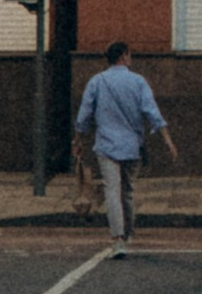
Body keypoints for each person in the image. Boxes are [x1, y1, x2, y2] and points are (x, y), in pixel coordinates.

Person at [75, 36, 176, 252]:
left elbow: (84, 116)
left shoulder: (97, 81)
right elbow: (152, 112)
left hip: (106, 145)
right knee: (128, 191)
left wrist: (78, 140)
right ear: (123, 56)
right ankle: (129, 232)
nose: (130, 58)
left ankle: (118, 238)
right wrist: (167, 140)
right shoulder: (138, 82)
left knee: (112, 190)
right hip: (132, 146)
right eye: (129, 54)